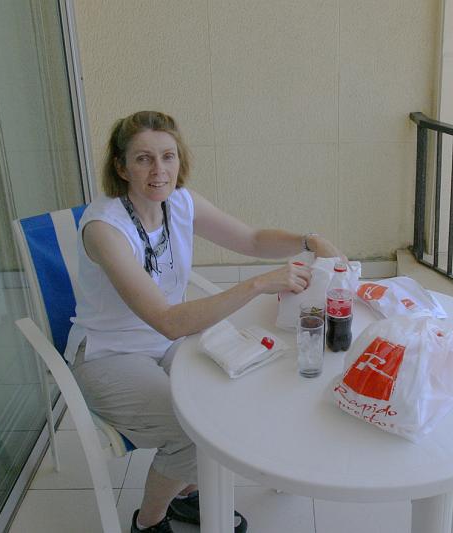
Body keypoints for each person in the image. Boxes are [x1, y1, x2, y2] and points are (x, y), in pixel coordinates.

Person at [66, 111, 343, 533]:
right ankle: (149, 520)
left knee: (235, 401)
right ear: (120, 166)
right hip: (110, 354)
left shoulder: (179, 201)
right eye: (143, 159)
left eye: (168, 156)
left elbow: (249, 239)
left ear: (180, 160)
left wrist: (308, 239)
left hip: (165, 343)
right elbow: (169, 321)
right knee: (198, 430)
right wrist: (258, 284)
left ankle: (186, 491)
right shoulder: (105, 229)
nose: (159, 170)